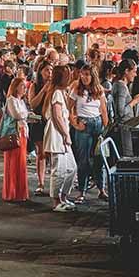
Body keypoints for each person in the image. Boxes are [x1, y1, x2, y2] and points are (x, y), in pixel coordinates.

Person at [69, 64, 109, 203]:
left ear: (93, 76)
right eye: (82, 74)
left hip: (97, 124)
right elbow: (68, 109)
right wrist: (74, 123)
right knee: (83, 160)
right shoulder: (76, 89)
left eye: (87, 74)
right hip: (83, 125)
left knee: (99, 159)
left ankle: (101, 189)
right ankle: (82, 191)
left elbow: (104, 110)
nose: (84, 77)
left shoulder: (99, 90)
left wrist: (106, 129)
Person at [43, 65, 76, 212]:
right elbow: (57, 116)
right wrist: (65, 134)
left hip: (61, 133)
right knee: (60, 169)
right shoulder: (56, 93)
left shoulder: (61, 92)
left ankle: (63, 197)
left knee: (71, 168)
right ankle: (56, 201)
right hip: (57, 134)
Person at [1, 77, 29, 202]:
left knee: (21, 163)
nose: (25, 88)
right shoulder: (11, 100)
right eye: (22, 86)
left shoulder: (21, 101)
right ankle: (11, 192)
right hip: (14, 134)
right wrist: (26, 114)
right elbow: (17, 115)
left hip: (23, 133)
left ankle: (20, 192)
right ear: (16, 87)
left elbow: (22, 115)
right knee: (13, 162)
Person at [28, 61, 53, 196]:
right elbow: (32, 104)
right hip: (38, 122)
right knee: (41, 153)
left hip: (51, 121)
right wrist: (43, 90)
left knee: (51, 153)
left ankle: (53, 181)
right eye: (46, 70)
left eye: (51, 70)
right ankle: (41, 182)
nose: (49, 73)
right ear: (40, 72)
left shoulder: (55, 87)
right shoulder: (35, 86)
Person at [111, 58, 139, 156]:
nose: (135, 74)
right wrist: (135, 101)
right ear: (126, 71)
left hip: (125, 128)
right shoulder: (121, 86)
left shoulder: (120, 85)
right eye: (134, 71)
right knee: (126, 156)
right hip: (124, 129)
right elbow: (121, 112)